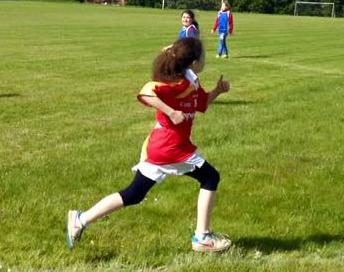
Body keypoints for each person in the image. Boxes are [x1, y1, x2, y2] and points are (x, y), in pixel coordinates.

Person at [66, 37, 232, 252]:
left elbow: (200, 104)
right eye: (203, 56)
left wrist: (218, 91)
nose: (205, 59)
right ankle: (202, 237)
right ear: (194, 62)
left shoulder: (190, 79)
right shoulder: (177, 83)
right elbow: (146, 92)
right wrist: (171, 112)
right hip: (171, 149)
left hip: (163, 149)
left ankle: (80, 219)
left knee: (134, 194)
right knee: (210, 176)